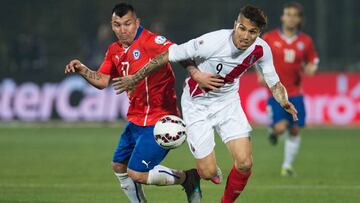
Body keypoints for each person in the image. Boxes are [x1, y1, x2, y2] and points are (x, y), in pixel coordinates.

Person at [112, 5, 298, 203]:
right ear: (236, 24)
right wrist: (135, 78)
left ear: (258, 33)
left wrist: (283, 100)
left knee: (244, 163)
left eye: (252, 32)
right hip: (196, 105)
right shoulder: (213, 42)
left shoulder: (262, 49)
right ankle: (197, 177)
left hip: (228, 103)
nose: (245, 36)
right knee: (207, 172)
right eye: (242, 28)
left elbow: (274, 81)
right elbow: (169, 53)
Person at [64, 3, 205, 203]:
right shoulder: (114, 50)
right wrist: (82, 69)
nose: (122, 30)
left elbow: (180, 53)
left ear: (136, 22)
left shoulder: (151, 41)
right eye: (117, 25)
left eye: (127, 24)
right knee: (119, 166)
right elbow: (102, 81)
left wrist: (196, 74)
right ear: (112, 26)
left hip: (161, 119)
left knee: (137, 173)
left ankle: (188, 178)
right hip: (136, 119)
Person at [260, 2, 319, 177]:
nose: (291, 18)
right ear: (282, 17)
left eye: (295, 15)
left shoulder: (305, 41)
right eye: (288, 14)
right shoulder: (270, 38)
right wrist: (259, 73)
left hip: (296, 92)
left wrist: (311, 68)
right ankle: (273, 131)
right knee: (280, 128)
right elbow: (257, 56)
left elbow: (313, 60)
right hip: (276, 93)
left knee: (294, 129)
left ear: (299, 19)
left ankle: (287, 166)